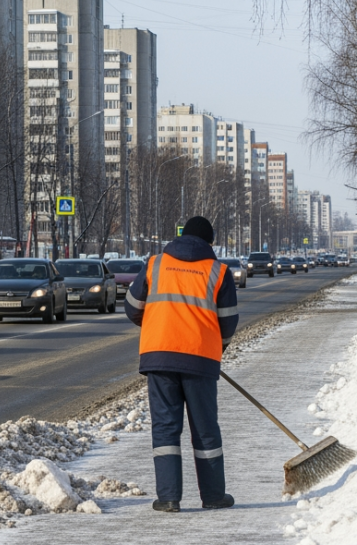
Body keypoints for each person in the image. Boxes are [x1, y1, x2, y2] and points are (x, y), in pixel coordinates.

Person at [125, 216, 238, 513]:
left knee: (165, 428)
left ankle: (169, 498)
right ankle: (213, 497)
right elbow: (228, 322)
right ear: (209, 242)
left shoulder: (155, 264)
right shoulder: (218, 271)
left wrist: (156, 324)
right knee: (205, 429)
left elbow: (132, 307)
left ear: (180, 237)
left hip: (159, 355)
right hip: (200, 358)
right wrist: (216, 346)